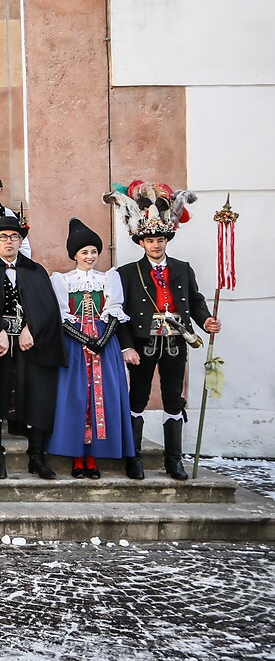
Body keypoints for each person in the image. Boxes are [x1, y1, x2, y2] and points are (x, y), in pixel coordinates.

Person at [111, 183, 220, 481]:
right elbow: (119, 314)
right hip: (143, 343)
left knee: (174, 398)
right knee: (138, 397)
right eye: (150, 240)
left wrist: (206, 321)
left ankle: (174, 461)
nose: (155, 245)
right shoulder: (126, 273)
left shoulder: (183, 268)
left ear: (166, 240)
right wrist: (126, 346)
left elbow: (195, 302)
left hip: (176, 341)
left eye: (160, 239)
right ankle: (133, 459)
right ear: (141, 242)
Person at [0, 216, 66, 481]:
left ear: (21, 241)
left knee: (36, 393)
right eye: (2, 237)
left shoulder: (35, 271)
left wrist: (31, 329)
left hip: (29, 343)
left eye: (13, 237)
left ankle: (36, 457)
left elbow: (47, 307)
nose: (8, 242)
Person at [48, 219, 135, 480]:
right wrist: (86, 341)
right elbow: (61, 317)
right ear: (74, 255)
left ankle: (94, 458)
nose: (90, 256)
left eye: (94, 251)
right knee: (76, 399)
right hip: (74, 346)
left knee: (103, 398)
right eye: (84, 252)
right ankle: (77, 458)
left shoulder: (109, 278)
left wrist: (101, 342)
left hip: (105, 348)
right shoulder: (62, 281)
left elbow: (114, 313)